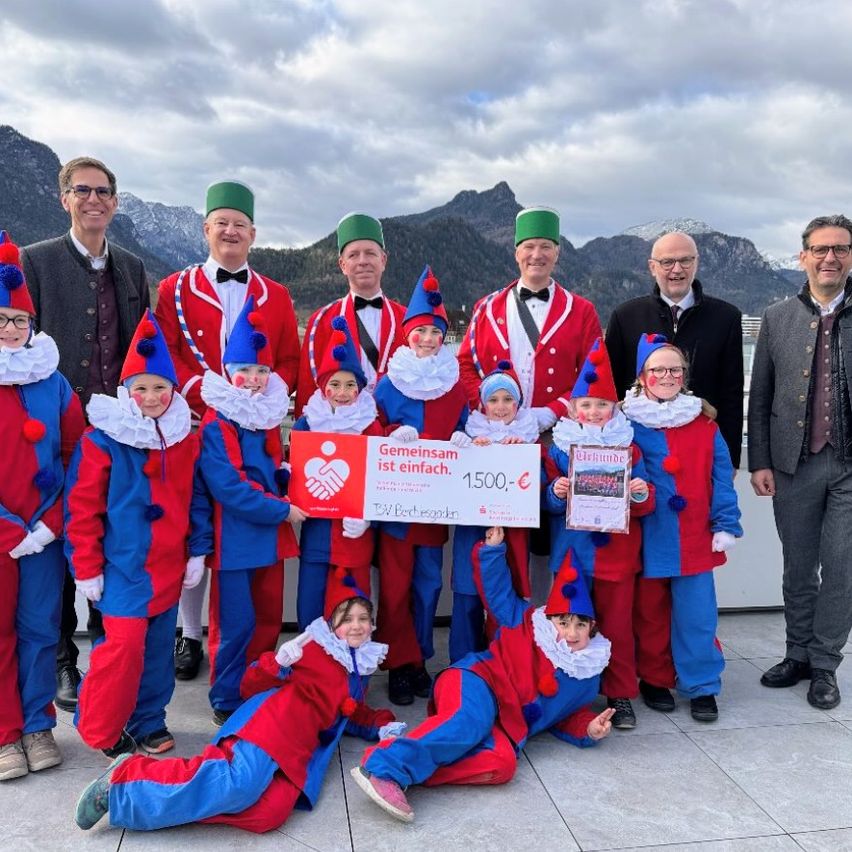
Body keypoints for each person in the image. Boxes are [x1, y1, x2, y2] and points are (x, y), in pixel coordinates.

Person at [74, 584, 398, 834]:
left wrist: (382, 725)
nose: (356, 626)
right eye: (347, 618)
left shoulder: (358, 672)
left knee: (269, 813)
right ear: (333, 624)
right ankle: (126, 783)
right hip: (273, 724)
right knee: (239, 784)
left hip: (298, 750)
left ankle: (146, 799)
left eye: (363, 618)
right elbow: (250, 685)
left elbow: (352, 712)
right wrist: (278, 663)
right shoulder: (312, 648)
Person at [352, 535, 613, 823]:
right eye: (563, 623)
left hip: (507, 725)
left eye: (580, 625)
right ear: (550, 620)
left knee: (502, 764)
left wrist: (587, 729)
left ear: (592, 627)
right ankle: (385, 766)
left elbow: (564, 717)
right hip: (476, 681)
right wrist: (492, 551)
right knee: (468, 722)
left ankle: (411, 771)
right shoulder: (524, 621)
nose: (571, 633)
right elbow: (497, 591)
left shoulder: (588, 675)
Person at [154, 180, 300, 681]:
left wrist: (257, 398)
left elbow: (286, 360)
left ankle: (247, 655)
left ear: (254, 233)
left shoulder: (276, 295)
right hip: (193, 422)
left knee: (238, 535)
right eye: (222, 223)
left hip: (255, 431)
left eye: (240, 224)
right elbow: (165, 352)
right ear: (206, 229)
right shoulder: (174, 288)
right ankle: (188, 634)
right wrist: (205, 392)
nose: (231, 231)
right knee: (194, 529)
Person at [20, 156, 150, 713]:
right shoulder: (35, 262)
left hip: (115, 431)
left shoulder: (131, 267)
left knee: (111, 535)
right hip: (52, 431)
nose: (93, 200)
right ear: (64, 199)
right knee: (61, 539)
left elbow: (136, 346)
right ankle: (60, 664)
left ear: (115, 202)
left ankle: (110, 657)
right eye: (82, 191)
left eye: (103, 192)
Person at [64, 311, 200, 757]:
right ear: (126, 391)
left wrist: (197, 551)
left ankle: (147, 720)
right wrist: (85, 568)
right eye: (141, 388)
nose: (151, 396)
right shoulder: (100, 441)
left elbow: (195, 499)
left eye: (160, 387)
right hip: (121, 568)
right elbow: (82, 510)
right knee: (121, 649)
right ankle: (100, 726)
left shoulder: (182, 439)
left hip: (167, 566)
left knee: (159, 650)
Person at [748, 214, 852, 711]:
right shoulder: (776, 317)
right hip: (793, 464)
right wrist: (760, 460)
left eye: (841, 249)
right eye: (821, 249)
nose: (830, 257)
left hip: (849, 465)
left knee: (842, 567)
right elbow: (761, 395)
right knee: (797, 566)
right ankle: (797, 654)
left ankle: (825, 663)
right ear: (803, 256)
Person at [192, 296, 304, 726]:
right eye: (246, 371)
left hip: (269, 536)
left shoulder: (266, 417)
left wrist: (288, 476)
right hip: (238, 536)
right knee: (235, 622)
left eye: (261, 371)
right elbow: (230, 488)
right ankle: (226, 694)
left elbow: (268, 470)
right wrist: (283, 508)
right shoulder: (218, 422)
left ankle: (257, 683)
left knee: (268, 617)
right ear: (228, 373)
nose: (255, 380)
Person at [0, 232, 85, 781]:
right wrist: (10, 530)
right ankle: (5, 732)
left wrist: (52, 522)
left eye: (19, 321)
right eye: (2, 319)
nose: (11, 329)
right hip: (4, 532)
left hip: (45, 532)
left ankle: (36, 722)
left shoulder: (52, 383)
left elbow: (79, 452)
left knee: (39, 629)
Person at [622, 334, 741, 722]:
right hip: (648, 533)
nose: (668, 375)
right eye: (659, 369)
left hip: (694, 533)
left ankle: (702, 684)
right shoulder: (626, 422)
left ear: (685, 375)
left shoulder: (703, 422)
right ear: (643, 375)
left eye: (675, 369)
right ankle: (655, 678)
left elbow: (722, 477)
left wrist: (726, 522)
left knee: (697, 614)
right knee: (650, 612)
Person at [543, 338, 654, 730]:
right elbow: (546, 501)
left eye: (601, 405)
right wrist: (555, 494)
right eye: (586, 405)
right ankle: (566, 690)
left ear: (614, 409)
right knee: (567, 625)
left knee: (617, 626)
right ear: (573, 409)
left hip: (617, 555)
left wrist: (640, 494)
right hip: (573, 554)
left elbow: (644, 499)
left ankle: (619, 692)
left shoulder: (630, 449)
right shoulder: (558, 450)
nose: (593, 412)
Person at [373, 265, 470, 706]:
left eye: (435, 332)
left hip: (436, 508)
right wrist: (390, 433)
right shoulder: (390, 384)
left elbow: (465, 425)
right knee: (394, 587)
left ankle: (420, 659)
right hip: (396, 508)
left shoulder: (453, 387)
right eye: (420, 332)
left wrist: (463, 438)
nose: (428, 339)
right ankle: (397, 662)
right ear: (407, 335)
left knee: (428, 585)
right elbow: (371, 426)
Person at [605, 231, 744, 468]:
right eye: (667, 262)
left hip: (701, 451)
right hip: (637, 452)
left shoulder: (726, 317)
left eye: (685, 261)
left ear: (696, 263)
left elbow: (731, 394)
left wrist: (729, 460)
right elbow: (612, 389)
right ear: (652, 267)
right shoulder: (625, 316)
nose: (677, 270)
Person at [458, 206, 602, 434]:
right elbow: (465, 366)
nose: (537, 255)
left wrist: (555, 410)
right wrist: (486, 403)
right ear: (517, 254)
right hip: (492, 432)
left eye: (546, 247)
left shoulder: (582, 310)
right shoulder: (486, 307)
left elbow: (593, 373)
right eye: (529, 247)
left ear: (557, 253)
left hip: (557, 433)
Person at [291, 316, 383, 630]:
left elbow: (382, 476)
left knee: (351, 601)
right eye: (334, 384)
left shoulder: (369, 424)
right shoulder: (308, 422)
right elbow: (296, 469)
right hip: (316, 529)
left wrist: (368, 513)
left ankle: (351, 666)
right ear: (322, 386)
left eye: (350, 385)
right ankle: (310, 662)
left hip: (353, 531)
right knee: (311, 600)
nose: (342, 392)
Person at [449, 359, 538, 663]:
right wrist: (468, 449)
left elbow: (536, 485)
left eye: (508, 399)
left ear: (518, 403)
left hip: (513, 533)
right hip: (472, 529)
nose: (501, 407)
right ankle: (462, 664)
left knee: (506, 594)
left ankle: (504, 661)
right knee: (467, 593)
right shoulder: (471, 432)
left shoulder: (528, 438)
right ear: (483, 404)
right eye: (494, 400)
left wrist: (520, 455)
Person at [295, 212, 406, 416]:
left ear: (383, 260)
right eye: (353, 255)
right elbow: (307, 384)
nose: (362, 261)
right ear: (342, 265)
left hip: (395, 432)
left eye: (370, 253)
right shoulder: (321, 320)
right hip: (340, 430)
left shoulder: (408, 320)